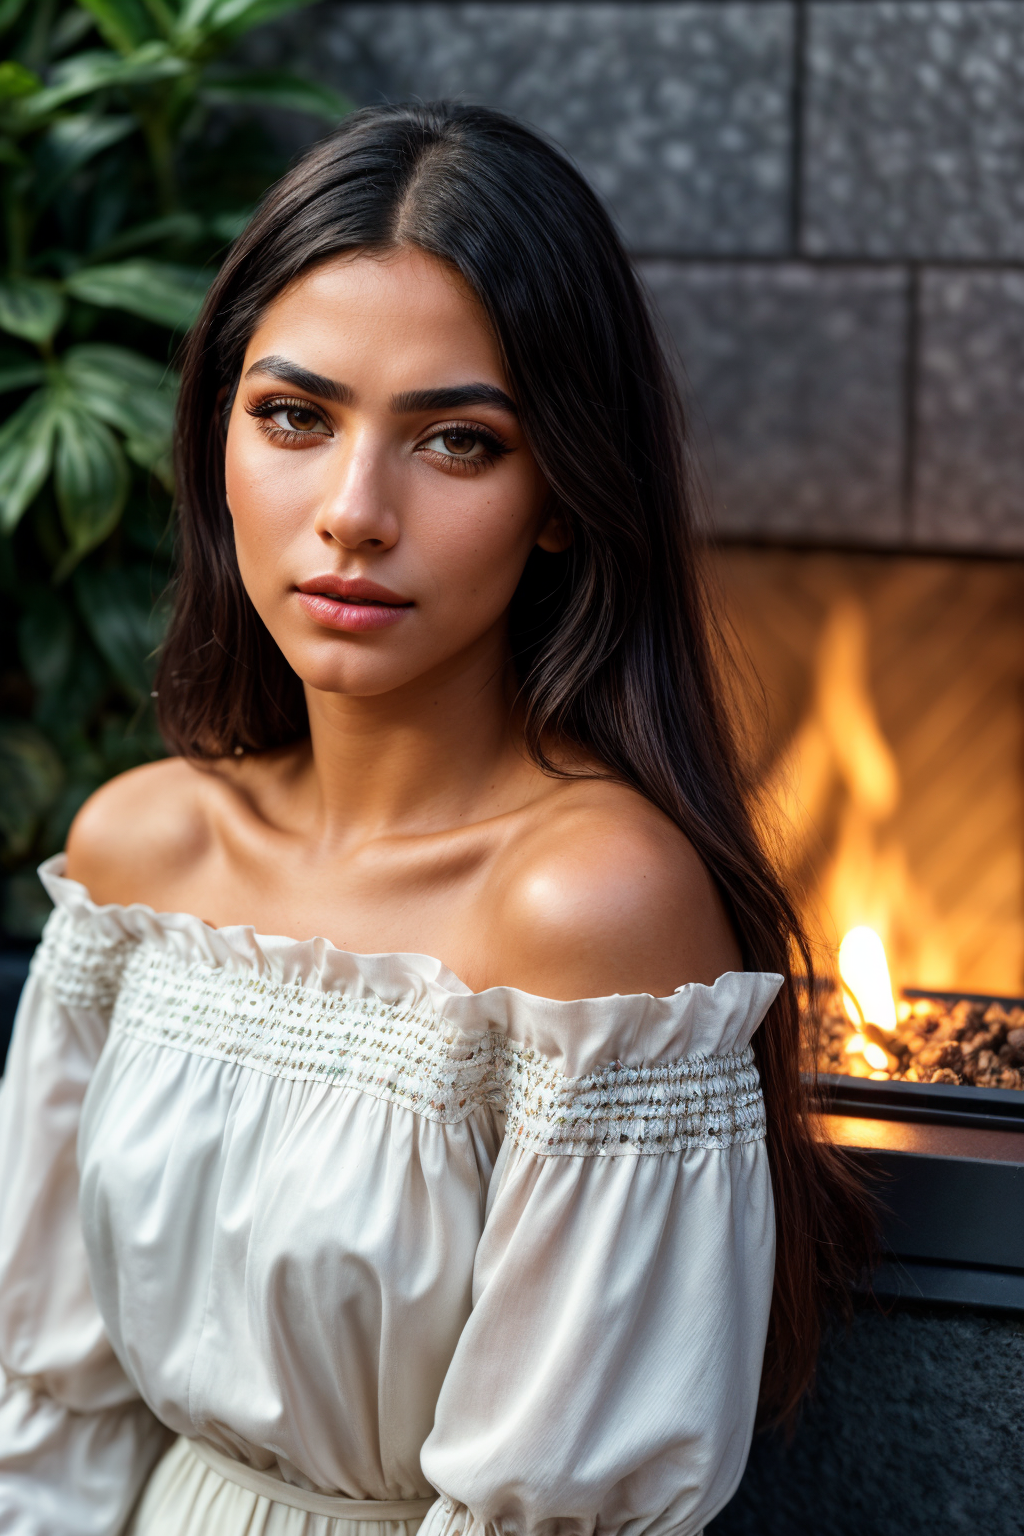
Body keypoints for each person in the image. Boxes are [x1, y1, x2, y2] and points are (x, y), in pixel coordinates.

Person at [0, 102, 872, 1536]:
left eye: (456, 442)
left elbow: (555, 1509)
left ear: (561, 498)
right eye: (293, 415)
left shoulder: (591, 912)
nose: (352, 511)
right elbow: (50, 1412)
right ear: (219, 435)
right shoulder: (137, 856)